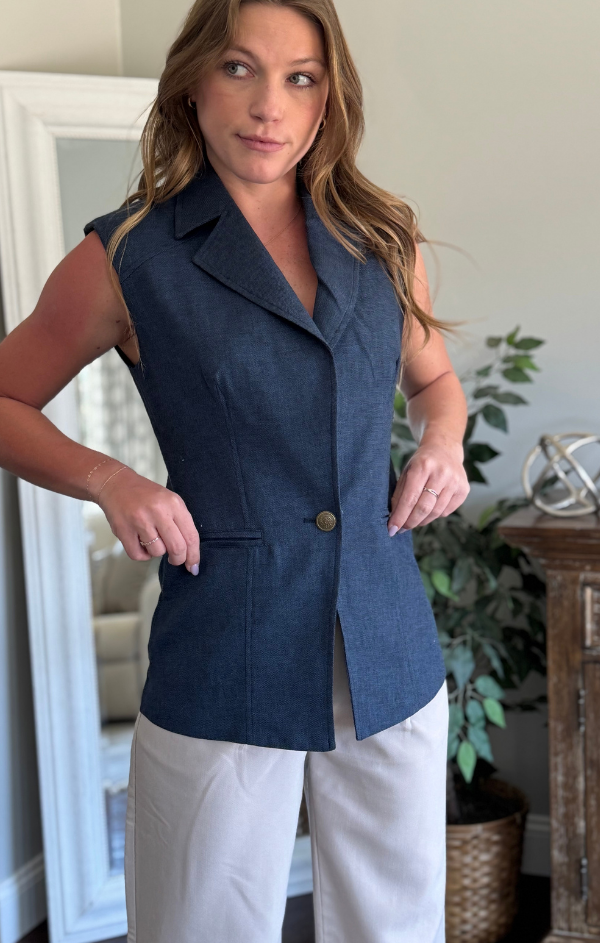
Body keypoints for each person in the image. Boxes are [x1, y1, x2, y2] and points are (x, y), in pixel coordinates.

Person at [0, 0, 470, 940]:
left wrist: (443, 441)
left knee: (396, 923)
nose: (269, 106)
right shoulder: (127, 255)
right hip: (226, 638)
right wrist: (110, 480)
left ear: (329, 96)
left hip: (383, 639)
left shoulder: (386, 240)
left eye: (300, 78)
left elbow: (434, 382)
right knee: (199, 921)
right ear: (193, 83)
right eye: (239, 68)